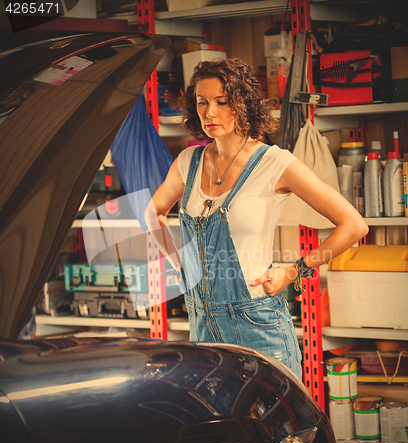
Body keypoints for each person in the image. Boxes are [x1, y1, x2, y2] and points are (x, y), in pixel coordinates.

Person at [145, 58, 368, 379]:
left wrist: (295, 270)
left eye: (222, 102)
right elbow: (153, 213)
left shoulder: (275, 163)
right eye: (202, 102)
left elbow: (354, 225)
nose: (210, 112)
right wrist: (181, 264)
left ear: (242, 104)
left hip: (257, 324)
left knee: (278, 427)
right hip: (202, 326)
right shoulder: (188, 162)